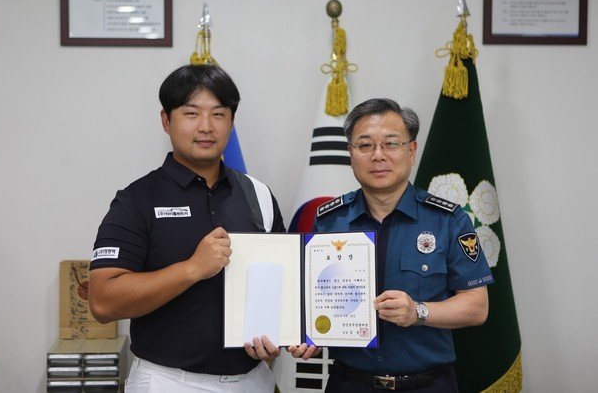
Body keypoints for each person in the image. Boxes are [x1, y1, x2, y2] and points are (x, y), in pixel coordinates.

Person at [88, 64, 285, 392]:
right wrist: (192, 268)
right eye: (191, 113)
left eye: (218, 114)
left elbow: (281, 285)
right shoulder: (137, 200)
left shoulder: (259, 194)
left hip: (253, 380)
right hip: (169, 381)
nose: (206, 127)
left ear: (232, 121)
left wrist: (282, 336)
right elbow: (103, 302)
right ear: (166, 121)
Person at [288, 98, 493, 392]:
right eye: (365, 145)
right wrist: (307, 335)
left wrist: (418, 312)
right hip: (350, 383)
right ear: (351, 154)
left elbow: (477, 306)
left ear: (411, 151)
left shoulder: (448, 220)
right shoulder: (329, 221)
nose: (378, 156)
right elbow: (313, 300)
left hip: (428, 384)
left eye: (391, 144)